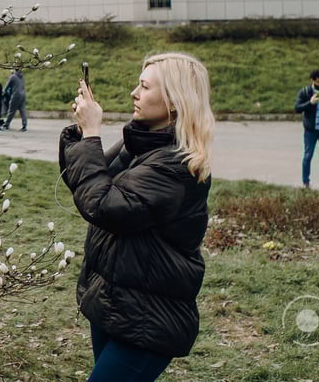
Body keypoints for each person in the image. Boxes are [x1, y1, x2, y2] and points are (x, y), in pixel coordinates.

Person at [60, 52, 214, 382]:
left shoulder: (176, 166)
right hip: (116, 303)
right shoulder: (142, 144)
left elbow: (104, 206)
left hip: (149, 320)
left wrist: (91, 134)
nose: (134, 92)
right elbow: (88, 181)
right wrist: (81, 132)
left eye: (144, 86)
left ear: (174, 102)